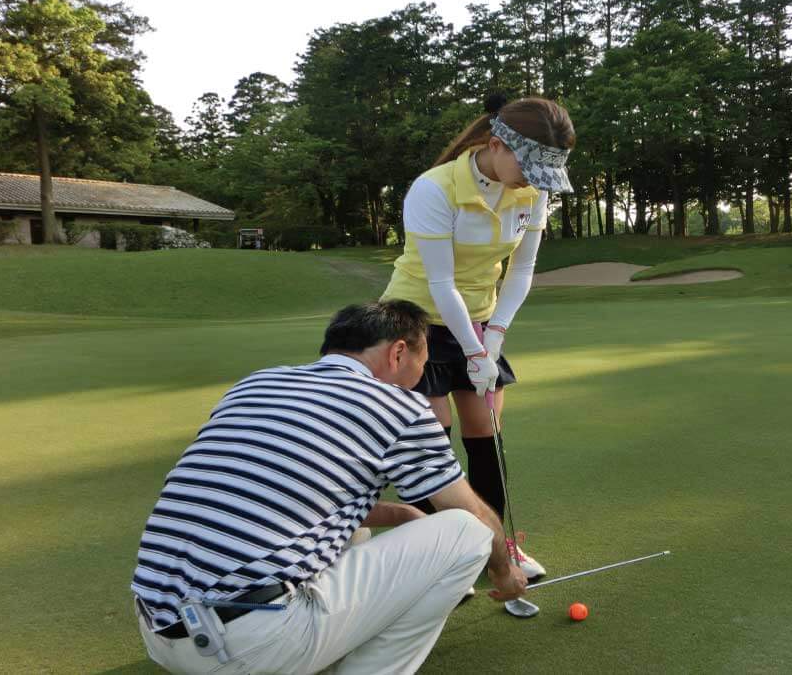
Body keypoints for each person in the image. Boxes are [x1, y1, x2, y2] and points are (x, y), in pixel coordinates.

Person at [130, 301, 528, 674]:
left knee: (356, 530)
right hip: (250, 645)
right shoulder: (400, 408)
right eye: (421, 366)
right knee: (467, 531)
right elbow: (471, 514)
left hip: (160, 632)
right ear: (398, 353)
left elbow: (293, 493)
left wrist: (404, 513)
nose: (420, 380)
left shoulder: (257, 383)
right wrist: (504, 571)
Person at [380, 94, 576, 579]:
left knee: (486, 438)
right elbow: (440, 282)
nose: (534, 181)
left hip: (481, 320)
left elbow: (521, 270)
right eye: (528, 168)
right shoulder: (434, 189)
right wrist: (472, 347)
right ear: (495, 146)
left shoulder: (532, 191)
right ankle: (440, 561)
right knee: (432, 447)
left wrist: (493, 339)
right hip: (417, 320)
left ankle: (498, 550)